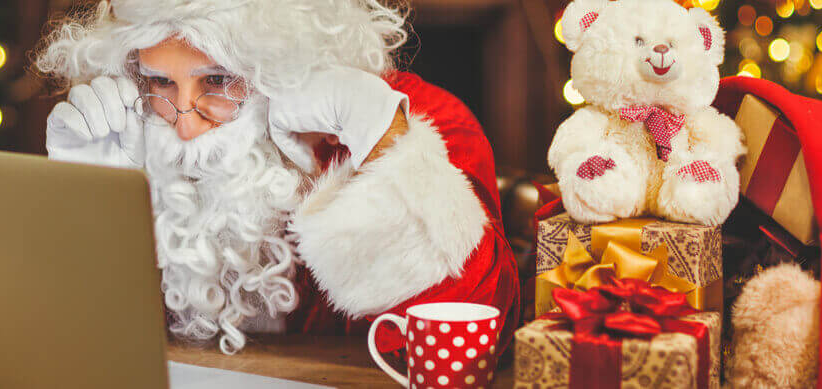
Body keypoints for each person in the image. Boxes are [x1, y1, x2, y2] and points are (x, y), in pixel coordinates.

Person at [35, 0, 518, 355]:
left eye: (218, 81)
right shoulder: (136, 132)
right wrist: (94, 210)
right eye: (161, 82)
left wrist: (382, 139)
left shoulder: (422, 118)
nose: (184, 125)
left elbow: (469, 346)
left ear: (281, 64)